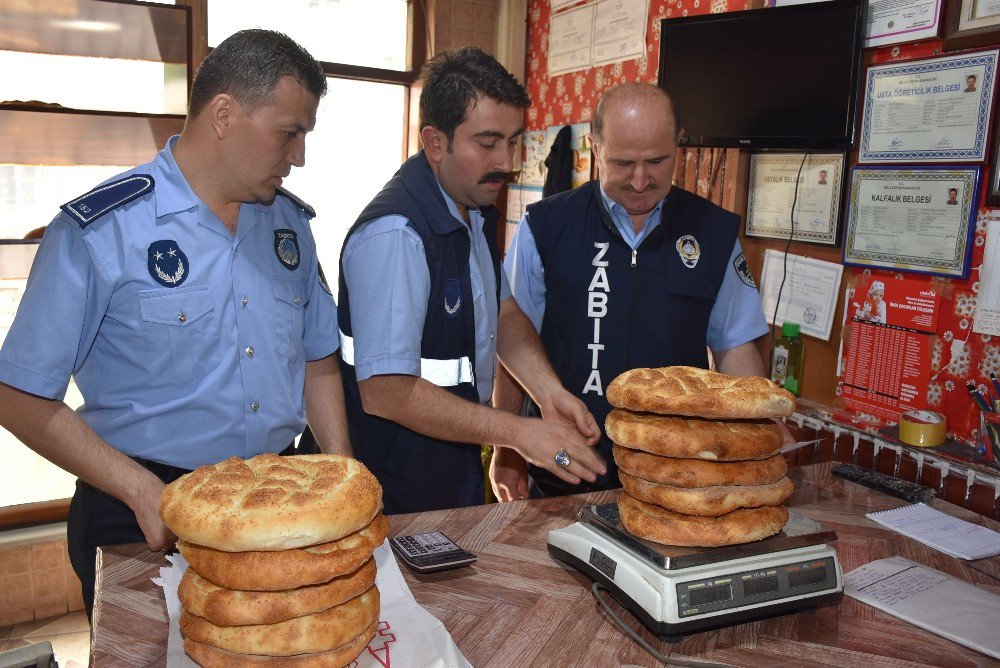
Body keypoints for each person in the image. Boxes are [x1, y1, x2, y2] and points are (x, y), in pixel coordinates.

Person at [0, 29, 350, 615]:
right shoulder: (103, 229)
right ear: (224, 114)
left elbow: (318, 360)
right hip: (139, 508)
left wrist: (338, 474)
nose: (299, 157)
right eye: (289, 133)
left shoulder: (289, 224)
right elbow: (17, 396)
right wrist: (143, 492)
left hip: (271, 502)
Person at [335, 47, 604, 514]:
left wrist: (548, 393)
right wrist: (518, 432)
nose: (507, 160)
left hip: (452, 459)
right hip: (391, 482)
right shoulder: (395, 235)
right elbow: (386, 391)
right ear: (436, 144)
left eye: (513, 141)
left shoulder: (472, 211)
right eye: (487, 143)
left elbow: (502, 313)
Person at [492, 83, 773, 501]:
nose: (640, 181)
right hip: (564, 473)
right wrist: (507, 449)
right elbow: (513, 336)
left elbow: (737, 350)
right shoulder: (546, 227)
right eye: (623, 163)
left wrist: (755, 442)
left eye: (657, 162)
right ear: (595, 146)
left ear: (678, 145)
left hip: (675, 480)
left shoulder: (712, 234)